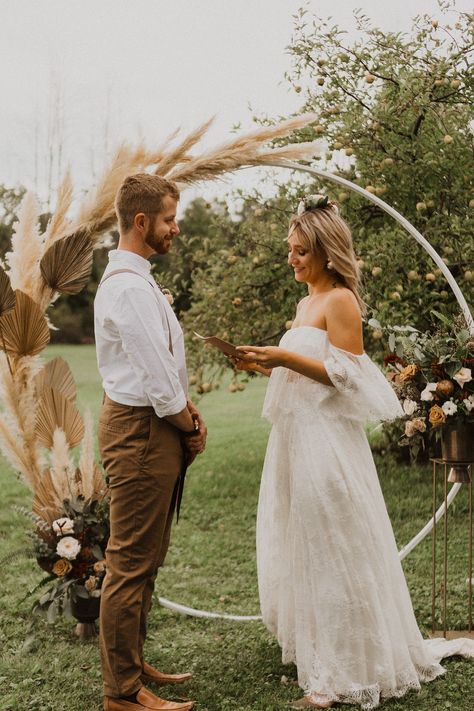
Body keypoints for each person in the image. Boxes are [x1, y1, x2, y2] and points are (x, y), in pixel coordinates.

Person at [235, 194, 474, 709]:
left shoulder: (341, 300)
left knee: (333, 541)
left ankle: (344, 674)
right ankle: (319, 651)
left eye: (300, 251)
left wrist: (283, 355)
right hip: (294, 437)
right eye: (290, 251)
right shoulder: (303, 304)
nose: (292, 260)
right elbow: (302, 368)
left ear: (326, 251)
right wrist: (262, 363)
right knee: (303, 538)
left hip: (326, 441)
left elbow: (348, 374)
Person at [94, 173, 207, 711]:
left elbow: (164, 370)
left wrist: (185, 416)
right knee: (130, 561)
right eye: (167, 219)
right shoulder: (128, 288)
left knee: (148, 554)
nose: (174, 228)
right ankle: (121, 692)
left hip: (155, 423)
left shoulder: (138, 283)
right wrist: (188, 425)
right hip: (141, 428)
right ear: (141, 222)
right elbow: (158, 382)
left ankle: (133, 665)